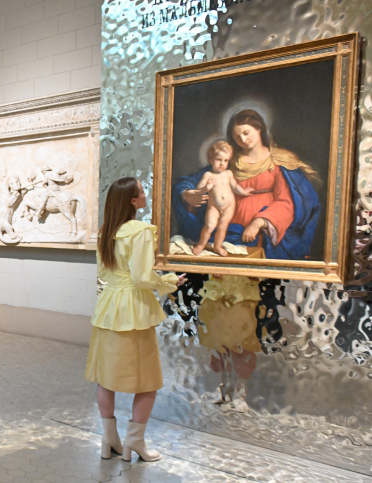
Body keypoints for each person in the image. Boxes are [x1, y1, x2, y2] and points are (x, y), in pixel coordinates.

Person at [85, 177, 184, 462]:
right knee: (147, 381)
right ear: (133, 200)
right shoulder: (140, 231)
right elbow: (141, 277)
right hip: (133, 309)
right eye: (141, 191)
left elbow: (104, 273)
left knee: (105, 378)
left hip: (108, 306)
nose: (145, 194)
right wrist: (167, 282)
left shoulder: (106, 231)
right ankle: (134, 442)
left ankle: (109, 440)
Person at [174, 109, 321, 260]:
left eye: (246, 133)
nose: (243, 139)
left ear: (259, 129)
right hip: (228, 230)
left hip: (261, 232)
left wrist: (260, 222)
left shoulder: (280, 160)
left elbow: (287, 201)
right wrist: (187, 194)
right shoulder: (228, 160)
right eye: (237, 137)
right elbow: (195, 180)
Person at [191, 141, 252, 256]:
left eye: (226, 160)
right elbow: (198, 190)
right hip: (214, 206)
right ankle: (201, 245)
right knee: (209, 226)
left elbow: (235, 186)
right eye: (219, 160)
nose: (222, 164)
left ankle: (217, 246)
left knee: (223, 226)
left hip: (229, 205)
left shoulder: (228, 173)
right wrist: (206, 188)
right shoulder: (208, 175)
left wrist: (243, 192)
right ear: (210, 159)